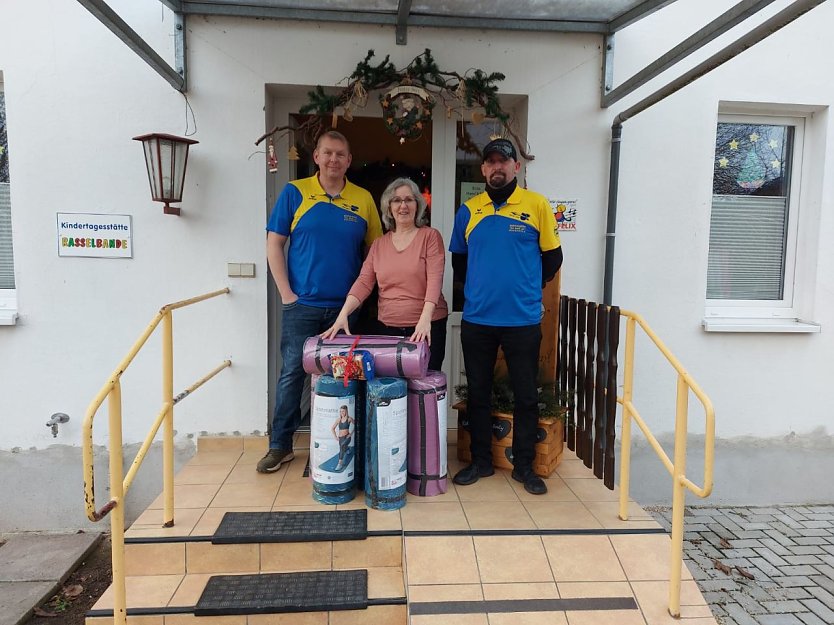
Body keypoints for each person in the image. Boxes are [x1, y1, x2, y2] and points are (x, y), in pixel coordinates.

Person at [257, 130, 382, 473]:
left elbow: (374, 254)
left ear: (349, 160)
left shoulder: (363, 199)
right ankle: (280, 445)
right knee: (292, 375)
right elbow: (274, 244)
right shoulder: (295, 193)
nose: (333, 160)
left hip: (347, 310)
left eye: (340, 154)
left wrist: (364, 297)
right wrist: (287, 295)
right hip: (303, 306)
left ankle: (345, 444)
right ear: (316, 157)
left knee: (346, 377)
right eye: (328, 153)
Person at [449, 138, 563, 495]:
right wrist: (484, 289)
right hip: (478, 320)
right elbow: (459, 261)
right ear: (483, 169)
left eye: (504, 161)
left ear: (516, 167)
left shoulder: (536, 205)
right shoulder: (469, 210)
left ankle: (525, 466)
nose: (497, 167)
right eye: (491, 162)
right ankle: (481, 462)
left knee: (526, 395)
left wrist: (526, 288)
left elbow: (552, 259)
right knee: (479, 392)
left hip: (522, 321)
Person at [321, 177, 449, 371]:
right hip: (388, 329)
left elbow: (435, 279)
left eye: (409, 200)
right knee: (392, 391)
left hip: (427, 328)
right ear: (389, 208)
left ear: (418, 205)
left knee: (423, 390)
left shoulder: (430, 236)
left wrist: (425, 319)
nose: (403, 205)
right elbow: (364, 282)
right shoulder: (379, 244)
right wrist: (344, 313)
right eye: (397, 200)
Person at [330, 405, 355, 471]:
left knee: (342, 447)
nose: (342, 413)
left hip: (347, 437)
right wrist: (335, 437)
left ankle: (339, 464)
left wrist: (351, 434)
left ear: (346, 411)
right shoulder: (338, 420)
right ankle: (347, 449)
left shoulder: (349, 419)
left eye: (343, 411)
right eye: (340, 411)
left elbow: (356, 425)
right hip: (341, 438)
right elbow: (332, 428)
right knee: (343, 447)